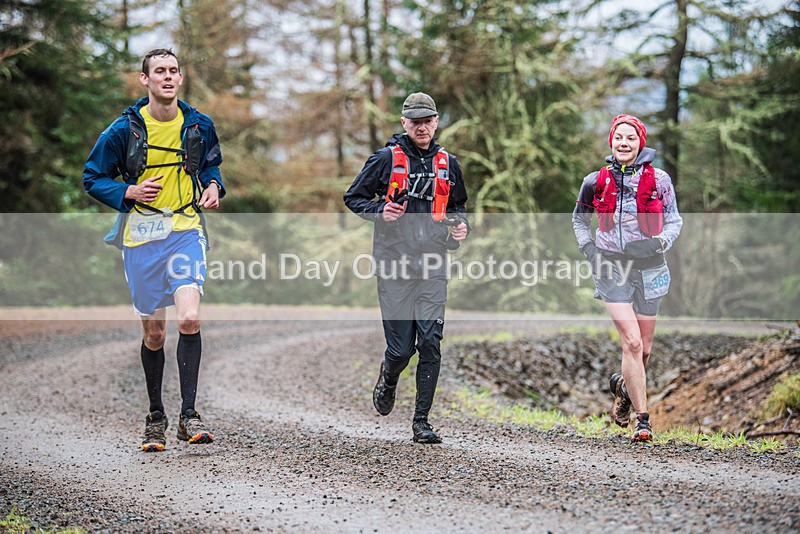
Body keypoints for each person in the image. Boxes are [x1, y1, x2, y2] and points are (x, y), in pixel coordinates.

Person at [83, 48, 225, 452]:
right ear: (144, 80)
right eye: (159, 71)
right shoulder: (122, 130)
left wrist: (213, 186)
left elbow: (211, 165)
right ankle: (155, 416)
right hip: (141, 235)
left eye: (173, 71)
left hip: (184, 228)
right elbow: (92, 177)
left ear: (181, 79)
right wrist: (127, 190)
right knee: (155, 332)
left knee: (191, 318)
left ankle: (189, 415)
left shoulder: (198, 124)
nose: (167, 76)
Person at [344, 92, 469, 444]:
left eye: (427, 120)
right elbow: (353, 197)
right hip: (394, 264)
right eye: (415, 121)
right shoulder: (385, 159)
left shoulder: (448, 162)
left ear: (436, 121)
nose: (421, 126)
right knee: (401, 349)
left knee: (430, 342)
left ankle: (421, 422)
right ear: (404, 123)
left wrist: (461, 228)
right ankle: (389, 374)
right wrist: (379, 211)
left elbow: (459, 208)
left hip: (433, 264)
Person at [573, 114, 683, 443]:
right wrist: (589, 249)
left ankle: (623, 387)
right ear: (611, 141)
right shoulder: (596, 180)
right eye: (619, 137)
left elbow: (675, 221)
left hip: (650, 266)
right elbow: (579, 220)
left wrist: (658, 241)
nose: (624, 143)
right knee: (631, 342)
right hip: (611, 267)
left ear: (640, 143)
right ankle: (643, 420)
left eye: (631, 138)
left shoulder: (659, 179)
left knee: (644, 349)